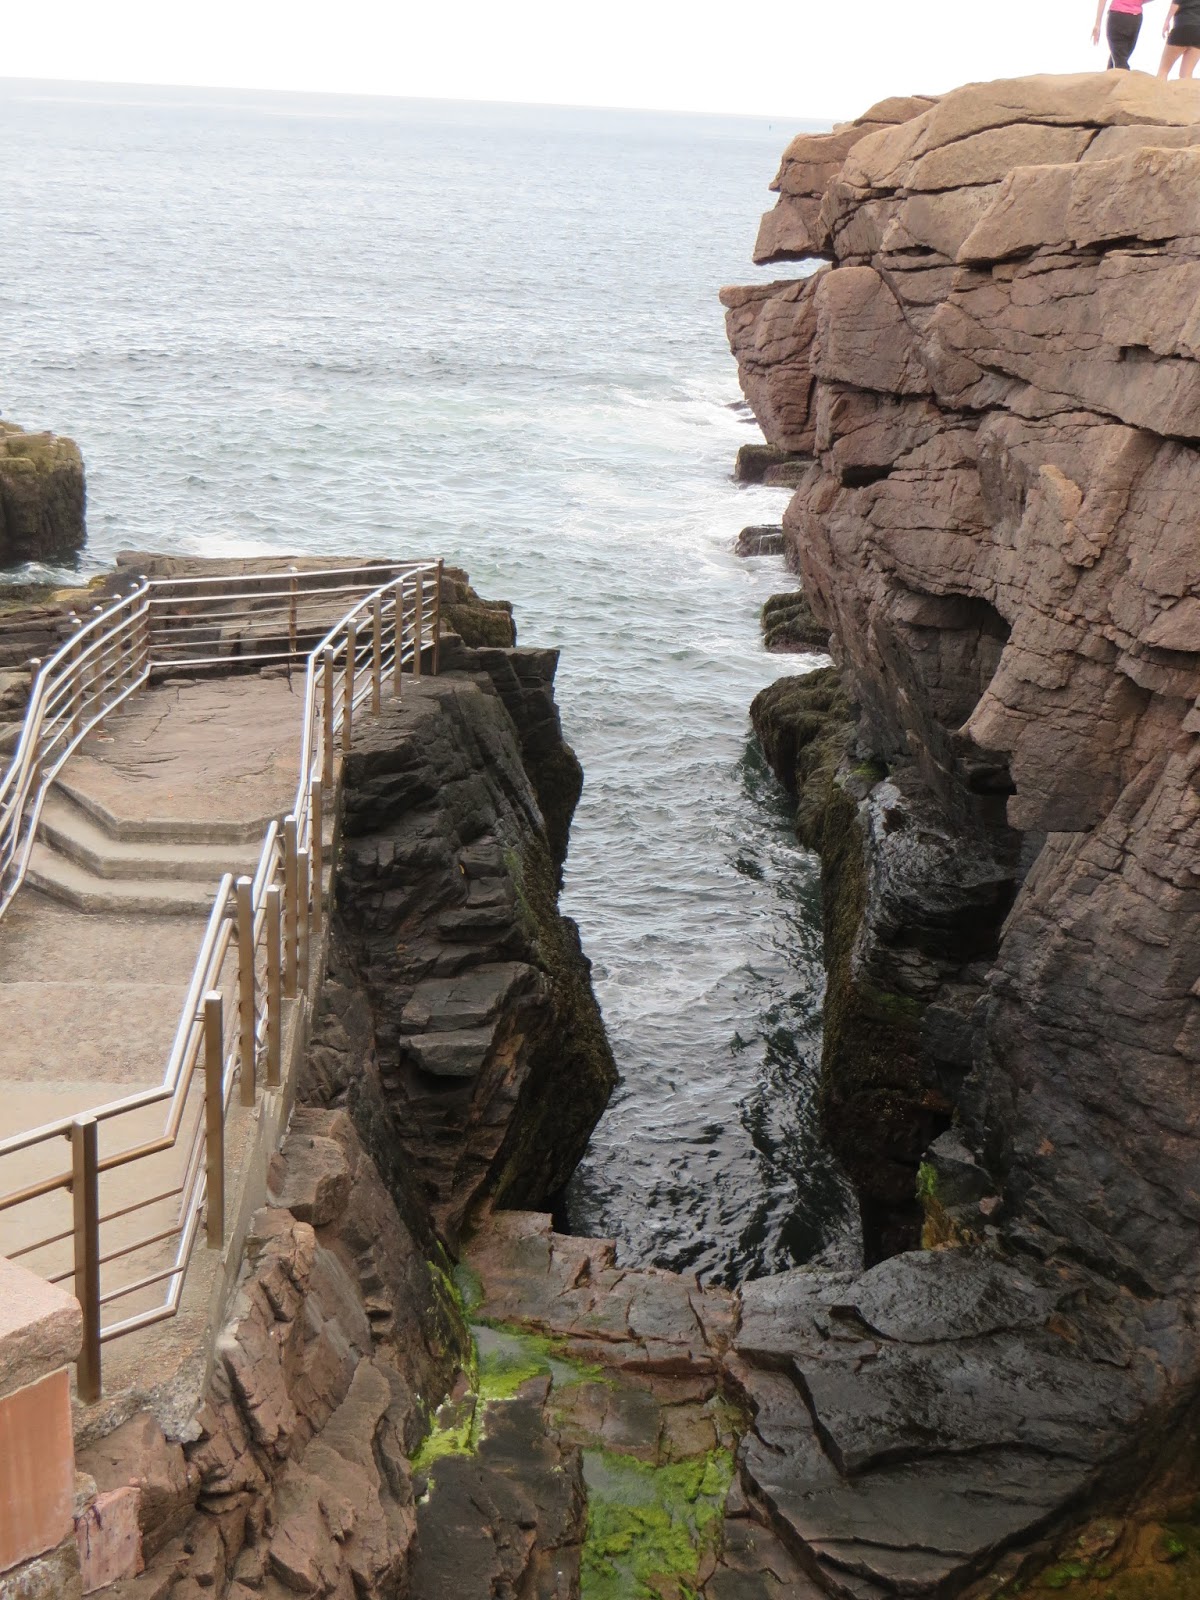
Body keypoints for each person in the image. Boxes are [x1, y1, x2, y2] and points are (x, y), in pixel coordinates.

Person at [1093, 0, 1152, 68]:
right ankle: (1110, 75)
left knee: (1120, 59)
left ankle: (1126, 77)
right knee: (1119, 57)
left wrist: (1097, 23)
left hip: (1118, 15)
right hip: (1135, 18)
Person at [1159, 0, 1200, 75]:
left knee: (1163, 71)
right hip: (1198, 31)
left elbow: (1176, 4)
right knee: (1186, 74)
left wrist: (1167, 21)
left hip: (1182, 27)